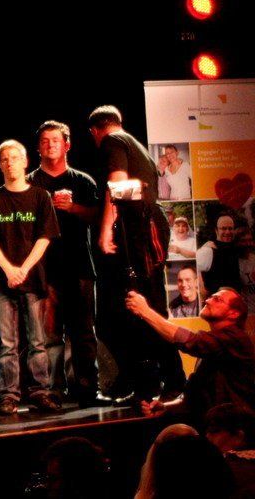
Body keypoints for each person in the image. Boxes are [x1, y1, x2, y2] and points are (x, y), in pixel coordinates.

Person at [88, 105, 184, 402]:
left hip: (141, 231)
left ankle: (170, 381)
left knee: (144, 303)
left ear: (95, 131)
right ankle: (151, 384)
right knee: (140, 304)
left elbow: (117, 185)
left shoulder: (112, 141)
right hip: (146, 227)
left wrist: (106, 229)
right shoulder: (136, 145)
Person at [0, 140, 61, 415]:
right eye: (5, 159)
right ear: (0, 164)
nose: (10, 163)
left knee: (37, 340)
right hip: (3, 281)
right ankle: (9, 395)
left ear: (25, 162)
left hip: (33, 277)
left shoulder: (40, 196)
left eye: (15, 158)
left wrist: (24, 269)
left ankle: (40, 391)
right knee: (8, 344)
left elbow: (44, 237)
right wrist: (8, 269)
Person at [28, 120, 100, 405]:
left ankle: (88, 390)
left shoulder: (83, 181)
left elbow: (98, 217)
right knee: (49, 335)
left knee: (84, 333)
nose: (50, 145)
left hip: (79, 265)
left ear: (67, 145)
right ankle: (53, 390)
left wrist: (72, 207)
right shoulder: (30, 183)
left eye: (55, 140)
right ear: (38, 147)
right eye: (45, 141)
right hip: (44, 269)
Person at [126, 286, 255, 422]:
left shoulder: (235, 338)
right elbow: (194, 394)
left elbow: (191, 342)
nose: (207, 301)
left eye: (217, 299)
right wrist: (166, 407)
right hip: (217, 425)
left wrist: (145, 311)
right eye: (210, 297)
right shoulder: (215, 346)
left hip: (236, 428)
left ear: (234, 313)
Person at [198, 214, 241, 295]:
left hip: (236, 299)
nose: (227, 232)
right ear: (216, 230)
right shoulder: (209, 250)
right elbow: (195, 271)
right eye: (223, 228)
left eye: (230, 228)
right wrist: (215, 289)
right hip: (216, 299)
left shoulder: (236, 248)